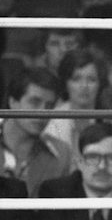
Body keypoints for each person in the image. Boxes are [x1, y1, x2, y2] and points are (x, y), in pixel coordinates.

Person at [0, 67, 72, 196]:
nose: (42, 112)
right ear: (13, 102)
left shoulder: (62, 154)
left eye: (49, 106)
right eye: (34, 102)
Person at [42, 48, 110, 160]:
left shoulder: (108, 119)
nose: (84, 86)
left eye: (91, 79)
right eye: (76, 79)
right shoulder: (53, 122)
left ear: (100, 84)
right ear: (66, 83)